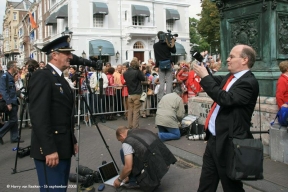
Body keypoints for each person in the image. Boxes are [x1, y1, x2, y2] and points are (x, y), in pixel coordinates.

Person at [193, 44, 259, 192]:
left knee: (231, 187)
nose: (227, 59)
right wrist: (204, 70)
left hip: (229, 144)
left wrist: (205, 76)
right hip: (214, 141)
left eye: (231, 57)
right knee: (206, 184)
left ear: (244, 60)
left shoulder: (248, 82)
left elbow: (225, 99)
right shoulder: (230, 77)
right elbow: (214, 82)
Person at [28, 35, 78, 191]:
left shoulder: (61, 78)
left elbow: (63, 115)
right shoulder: (42, 76)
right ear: (54, 55)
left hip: (63, 147)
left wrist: (72, 140)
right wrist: (48, 149)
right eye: (66, 53)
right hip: (50, 150)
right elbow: (39, 116)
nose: (70, 56)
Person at [113, 126, 177, 191]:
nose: (121, 142)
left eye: (120, 140)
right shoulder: (141, 130)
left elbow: (128, 167)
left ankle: (133, 182)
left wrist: (119, 180)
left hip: (153, 168)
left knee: (123, 152)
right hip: (165, 161)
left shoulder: (127, 141)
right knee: (127, 152)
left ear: (121, 135)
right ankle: (132, 177)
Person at [0, 60, 23, 145]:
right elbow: (3, 90)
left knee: (14, 120)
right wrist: (8, 102)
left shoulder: (10, 76)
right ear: (12, 67)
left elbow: (13, 89)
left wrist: (19, 95)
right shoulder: (4, 76)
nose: (16, 68)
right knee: (13, 120)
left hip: (14, 100)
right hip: (10, 102)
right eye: (15, 66)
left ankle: (14, 137)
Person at [153, 31, 176, 102]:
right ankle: (169, 96)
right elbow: (174, 51)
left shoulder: (155, 45)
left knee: (161, 81)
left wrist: (157, 65)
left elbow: (157, 55)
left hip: (161, 64)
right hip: (168, 63)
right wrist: (172, 42)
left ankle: (160, 97)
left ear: (158, 37)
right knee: (169, 81)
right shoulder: (167, 44)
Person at [123, 59, 145, 129]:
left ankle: (130, 125)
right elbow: (143, 78)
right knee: (136, 111)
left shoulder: (125, 73)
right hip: (137, 93)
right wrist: (139, 70)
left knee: (130, 111)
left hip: (130, 93)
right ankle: (135, 127)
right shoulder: (137, 72)